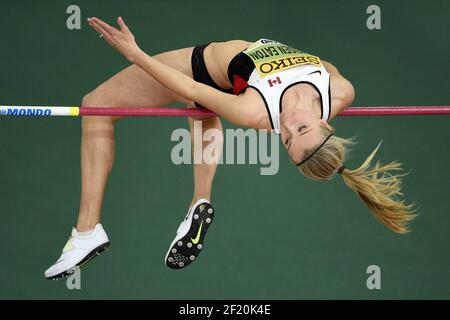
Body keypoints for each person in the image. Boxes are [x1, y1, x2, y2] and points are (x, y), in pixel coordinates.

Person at [44, 17, 416, 279]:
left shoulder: (255, 111)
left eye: (285, 139)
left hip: (204, 67)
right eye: (299, 128)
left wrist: (134, 53)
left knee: (95, 106)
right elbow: (327, 66)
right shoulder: (341, 91)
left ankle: (87, 230)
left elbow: (190, 88)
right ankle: (198, 202)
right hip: (233, 81)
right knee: (202, 111)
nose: (285, 126)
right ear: (324, 122)